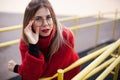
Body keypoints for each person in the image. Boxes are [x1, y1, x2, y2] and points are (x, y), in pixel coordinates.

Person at [8, 0, 80, 80]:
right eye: (38, 19)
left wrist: (18, 68)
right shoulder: (25, 42)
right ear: (29, 22)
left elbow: (48, 74)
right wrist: (33, 45)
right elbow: (30, 77)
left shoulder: (66, 36)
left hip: (69, 76)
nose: (45, 23)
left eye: (49, 17)